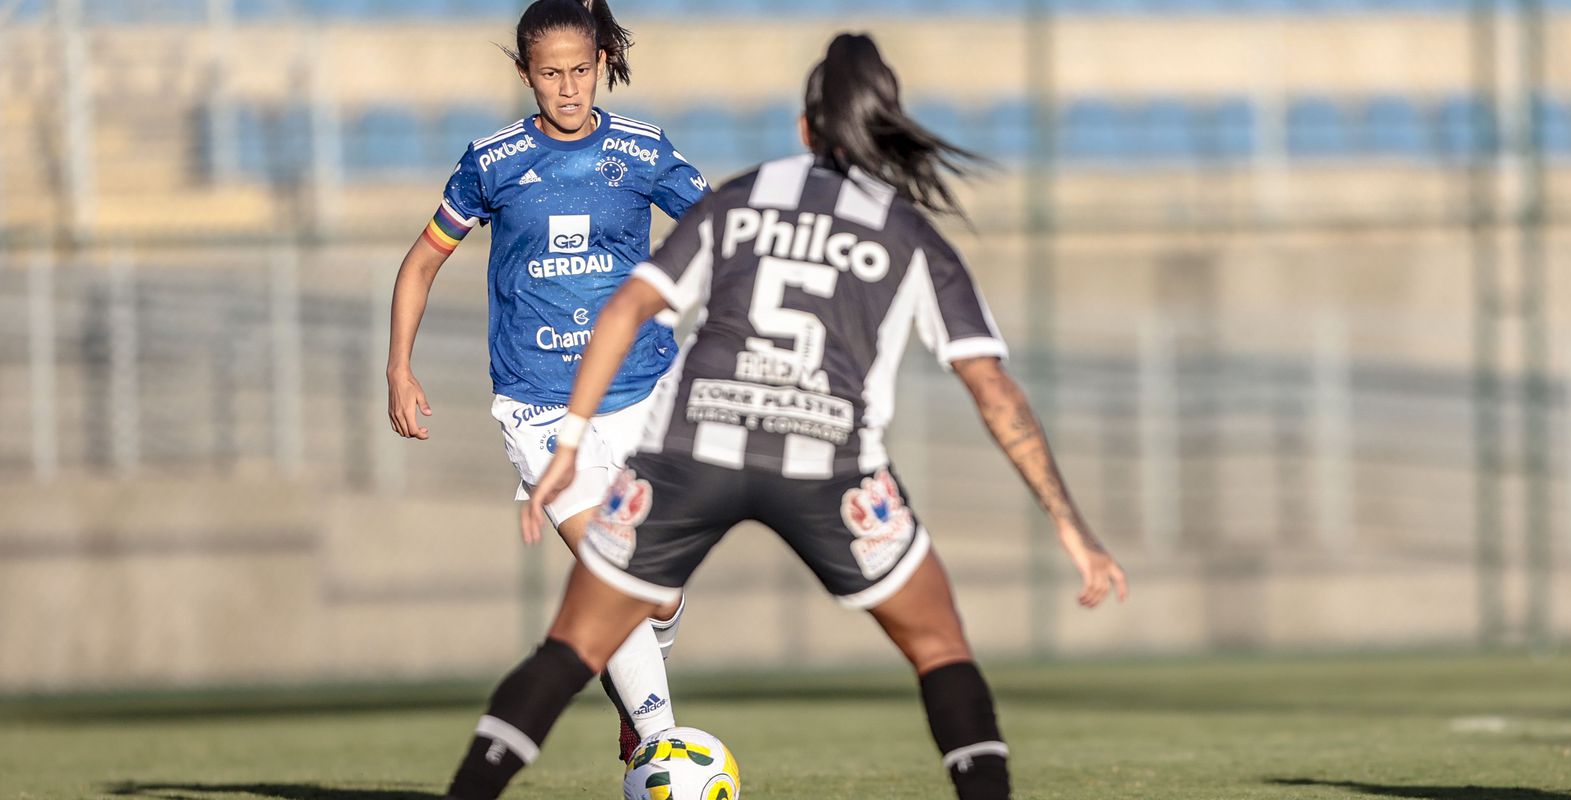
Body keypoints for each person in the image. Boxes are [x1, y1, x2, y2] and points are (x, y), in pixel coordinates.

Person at [441, 32, 1128, 800]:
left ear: (803, 129)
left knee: (570, 648)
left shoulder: (739, 200)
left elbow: (628, 303)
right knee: (940, 647)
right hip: (829, 462)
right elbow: (994, 390)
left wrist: (569, 442)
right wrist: (1070, 524)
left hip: (695, 447)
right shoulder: (908, 232)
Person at [385, 0, 706, 766]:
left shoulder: (642, 150)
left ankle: (635, 692)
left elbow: (720, 225)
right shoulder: (492, 163)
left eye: (580, 71)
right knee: (611, 572)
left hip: (644, 394)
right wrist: (399, 366)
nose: (567, 88)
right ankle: (660, 745)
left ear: (602, 64)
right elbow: (421, 262)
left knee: (659, 592)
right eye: (550, 74)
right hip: (537, 405)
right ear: (524, 73)